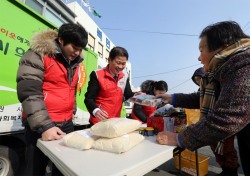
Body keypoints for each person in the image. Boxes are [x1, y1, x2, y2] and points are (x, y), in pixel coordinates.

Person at [156, 21, 250, 176]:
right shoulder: (225, 70)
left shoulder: (243, 64)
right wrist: (172, 98)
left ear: (221, 46)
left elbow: (228, 117)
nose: (199, 58)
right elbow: (200, 97)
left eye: (201, 50)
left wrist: (180, 139)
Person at [16, 23, 88, 175]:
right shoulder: (37, 54)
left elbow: (70, 90)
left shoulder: (75, 63)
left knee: (63, 169)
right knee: (35, 169)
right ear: (61, 40)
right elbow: (29, 92)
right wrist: (45, 126)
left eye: (80, 49)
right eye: (74, 47)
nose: (77, 52)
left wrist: (71, 112)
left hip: (66, 123)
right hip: (40, 125)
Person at [161, 67, 240, 175]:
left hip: (220, 127)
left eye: (200, 79)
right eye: (196, 80)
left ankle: (231, 170)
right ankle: (226, 169)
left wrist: (181, 138)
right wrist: (172, 98)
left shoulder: (223, 85)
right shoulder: (204, 91)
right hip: (209, 125)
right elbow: (194, 99)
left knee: (227, 150)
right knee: (216, 149)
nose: (199, 82)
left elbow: (226, 115)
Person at [84, 46, 134, 125]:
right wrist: (95, 111)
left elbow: (129, 96)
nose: (120, 67)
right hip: (99, 122)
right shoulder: (97, 74)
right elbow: (89, 99)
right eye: (118, 63)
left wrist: (146, 99)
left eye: (123, 64)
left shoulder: (124, 77)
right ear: (109, 60)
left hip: (115, 122)